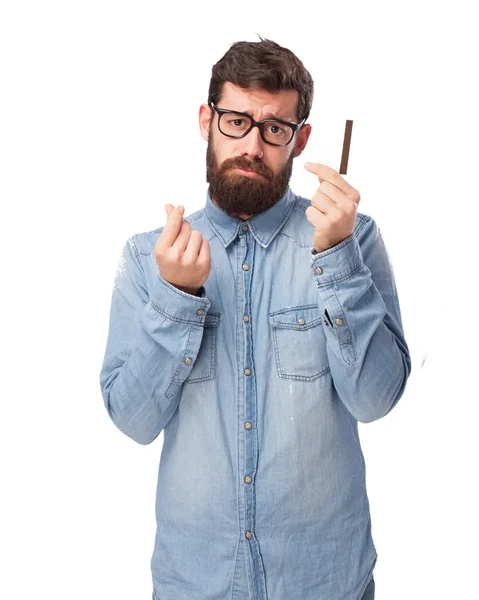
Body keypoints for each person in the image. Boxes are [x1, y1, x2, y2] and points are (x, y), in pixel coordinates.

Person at [99, 37, 411, 600]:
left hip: (326, 583)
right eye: (236, 121)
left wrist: (336, 259)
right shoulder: (150, 257)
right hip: (195, 583)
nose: (251, 145)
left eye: (274, 129)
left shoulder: (352, 240)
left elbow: (375, 400)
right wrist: (175, 295)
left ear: (302, 138)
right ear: (206, 120)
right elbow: (132, 420)